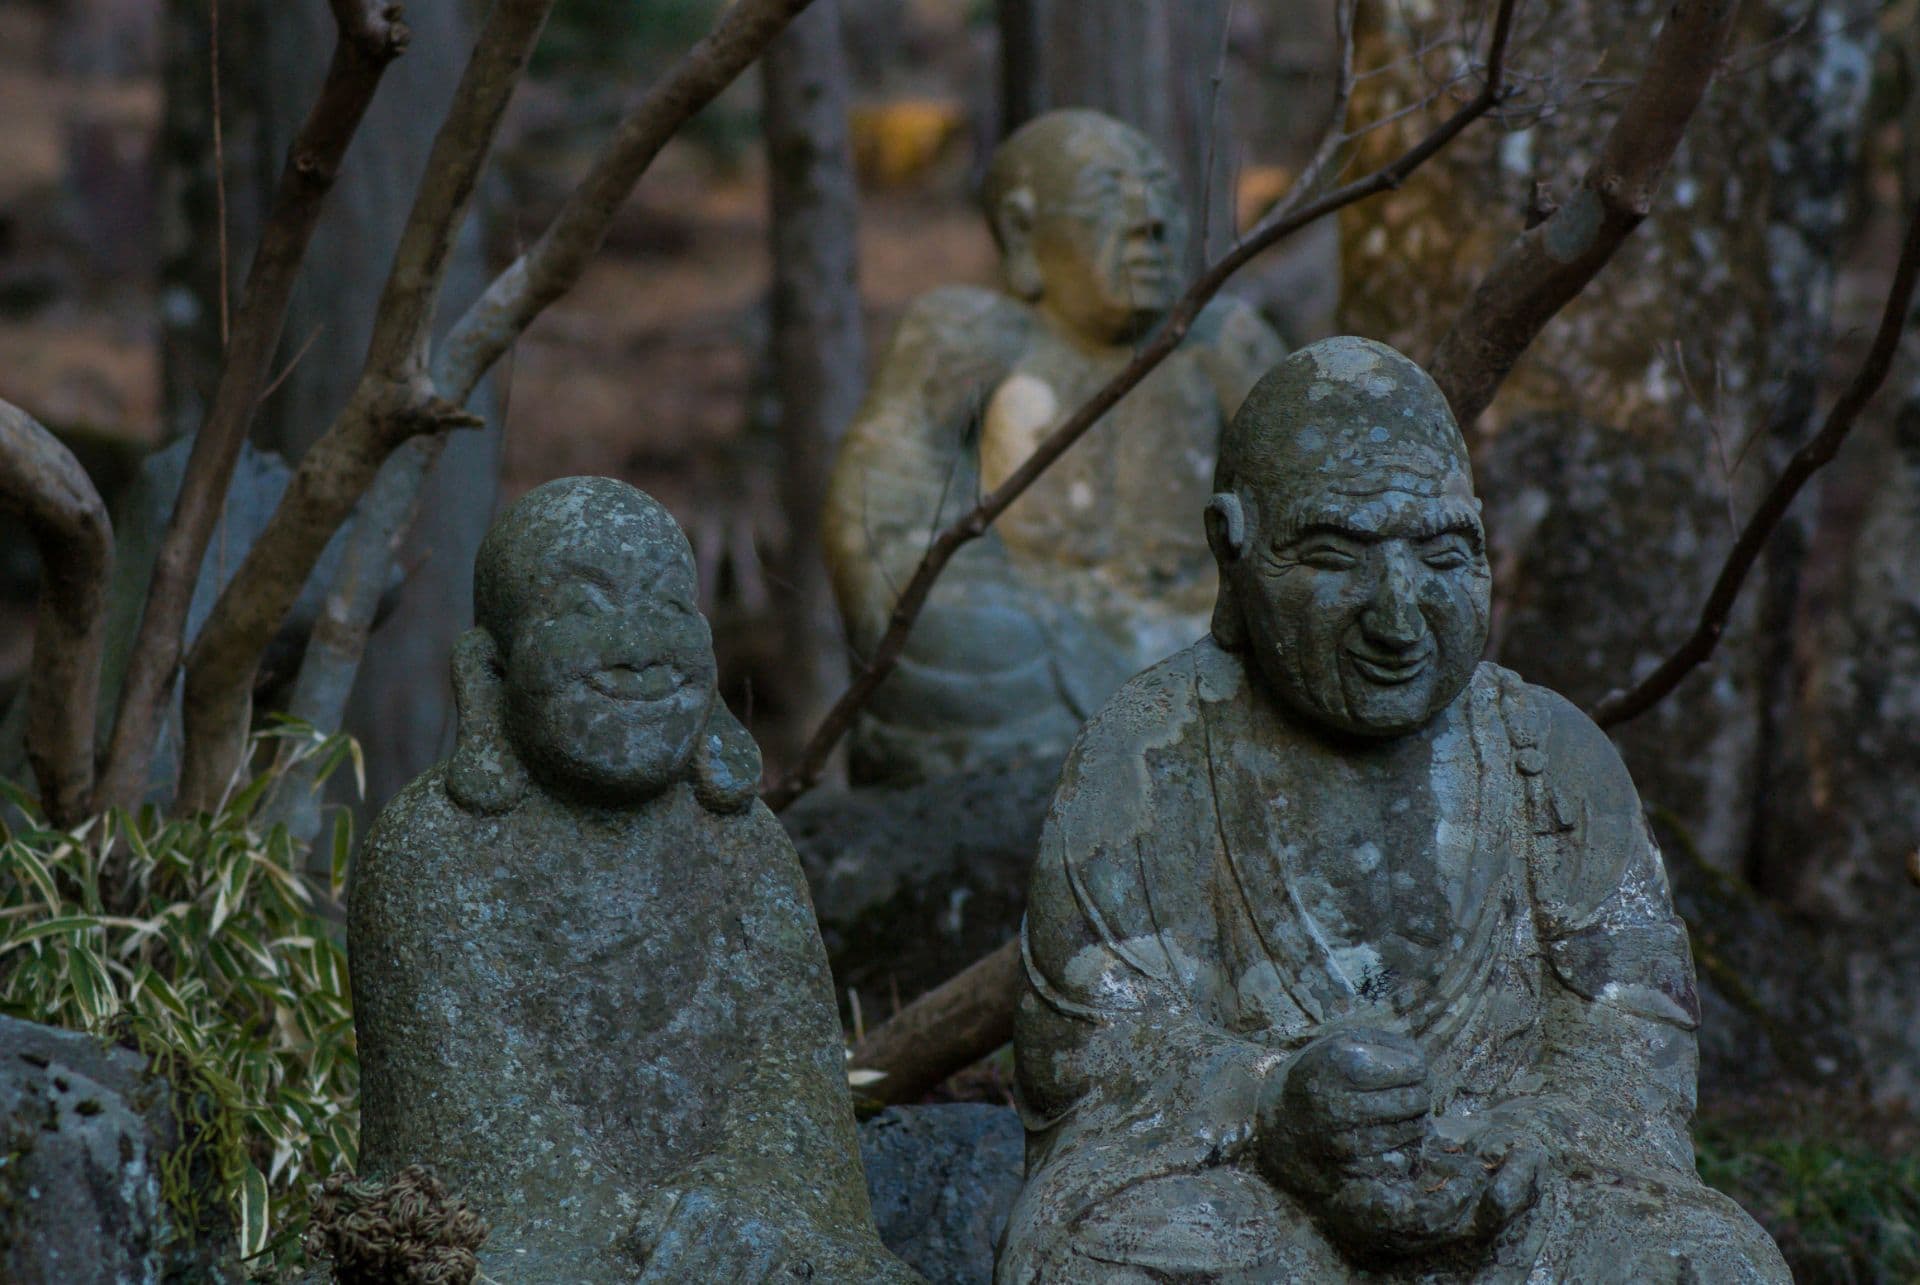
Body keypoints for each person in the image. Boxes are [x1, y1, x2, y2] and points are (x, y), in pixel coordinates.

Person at [997, 339, 1788, 1283]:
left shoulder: (1550, 752)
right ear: (1230, 547)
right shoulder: (1148, 749)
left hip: (1524, 1204)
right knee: (1099, 1261)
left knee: (1715, 1263)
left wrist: (1519, 1145)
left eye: (1444, 554)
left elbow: (1632, 1044)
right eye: (1337, 556)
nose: (1399, 617)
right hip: (1254, 1200)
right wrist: (1268, 1101)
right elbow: (1087, 1050)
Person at [351, 478, 918, 1283]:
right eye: (582, 609)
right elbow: (465, 1156)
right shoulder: (429, 850)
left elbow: (798, 1115)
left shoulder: (749, 847)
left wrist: (748, 1202)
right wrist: (647, 1243)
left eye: (667, 606)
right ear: (490, 670)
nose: (638, 646)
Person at [822, 109, 1284, 784]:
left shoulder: (1222, 340)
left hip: (1196, 630)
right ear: (1021, 228)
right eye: (1109, 196)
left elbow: (1306, 502)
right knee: (946, 630)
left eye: (1163, 196)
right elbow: (880, 518)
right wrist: (971, 599)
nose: (1150, 222)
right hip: (1030, 639)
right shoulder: (970, 333)